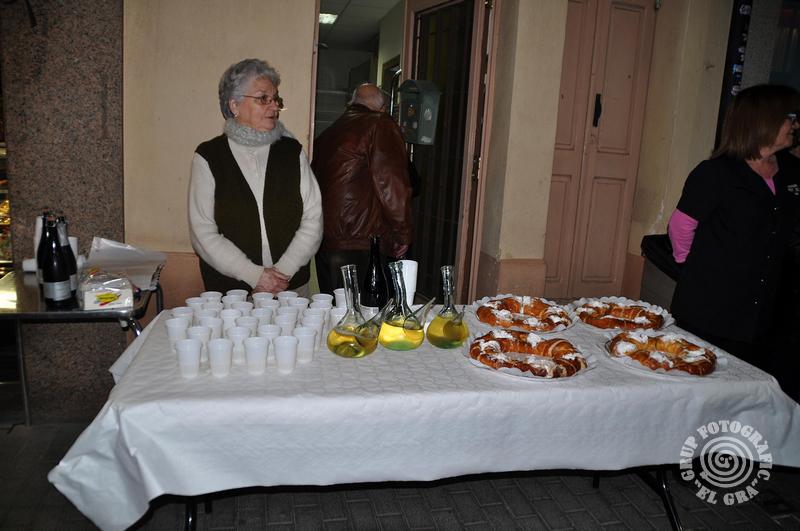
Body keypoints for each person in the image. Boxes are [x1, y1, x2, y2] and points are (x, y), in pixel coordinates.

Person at [668, 85, 800, 374]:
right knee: (704, 380)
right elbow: (681, 227)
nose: (795, 124)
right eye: (789, 117)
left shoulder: (792, 171)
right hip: (712, 310)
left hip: (765, 313)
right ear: (763, 121)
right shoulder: (716, 173)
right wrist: (692, 269)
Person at [189, 59, 322, 296]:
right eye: (263, 98)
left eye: (276, 99)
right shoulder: (209, 156)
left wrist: (281, 274)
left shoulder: (291, 152)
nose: (274, 106)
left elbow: (314, 218)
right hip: (233, 292)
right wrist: (254, 275)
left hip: (290, 287)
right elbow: (202, 232)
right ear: (234, 105)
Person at [312, 83, 412, 293]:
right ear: (382, 108)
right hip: (362, 241)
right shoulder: (380, 125)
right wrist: (401, 233)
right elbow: (390, 184)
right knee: (367, 311)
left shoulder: (329, 133)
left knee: (336, 308)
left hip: (326, 241)